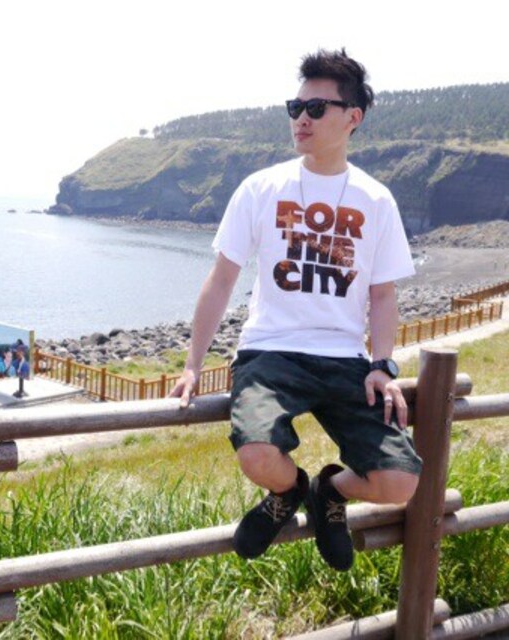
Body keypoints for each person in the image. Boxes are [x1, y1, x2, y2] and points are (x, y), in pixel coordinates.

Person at [170, 48, 422, 571]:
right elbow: (222, 280)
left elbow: (382, 295)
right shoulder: (261, 188)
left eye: (316, 108)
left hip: (345, 359)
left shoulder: (376, 200)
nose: (301, 119)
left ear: (353, 117)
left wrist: (382, 365)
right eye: (295, 107)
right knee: (257, 453)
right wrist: (193, 365)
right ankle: (288, 492)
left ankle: (330, 491)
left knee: (399, 480)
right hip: (270, 352)